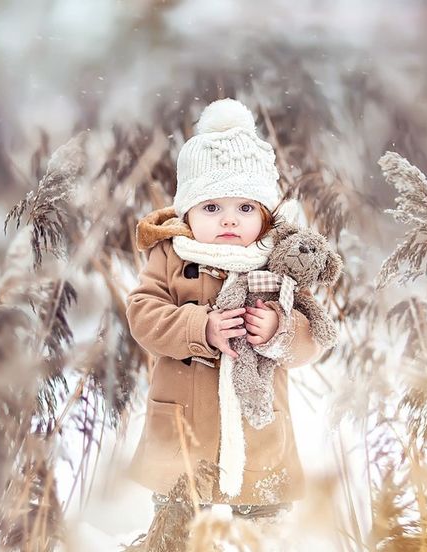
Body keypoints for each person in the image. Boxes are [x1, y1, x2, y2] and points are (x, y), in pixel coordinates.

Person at [125, 98, 332, 522]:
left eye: (245, 208)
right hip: (183, 425)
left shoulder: (278, 259)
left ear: (265, 214)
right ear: (188, 210)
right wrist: (199, 327)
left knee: (261, 527)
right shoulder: (169, 254)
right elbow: (142, 314)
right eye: (212, 207)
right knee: (175, 526)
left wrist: (279, 328)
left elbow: (313, 336)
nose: (229, 221)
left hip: (257, 431)